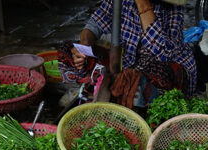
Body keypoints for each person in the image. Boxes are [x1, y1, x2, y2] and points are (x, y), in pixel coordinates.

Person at [58, 0, 196, 106]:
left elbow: (162, 53)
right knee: (67, 50)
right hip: (129, 61)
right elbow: (96, 23)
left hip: (165, 64)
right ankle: (107, 88)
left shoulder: (171, 6)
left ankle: (124, 96)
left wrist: (142, 3)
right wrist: (84, 46)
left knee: (156, 75)